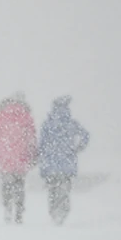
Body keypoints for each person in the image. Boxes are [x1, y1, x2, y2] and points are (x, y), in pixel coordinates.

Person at [37, 95, 90, 225]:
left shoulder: (47, 124)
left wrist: (41, 159)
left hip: (50, 164)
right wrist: (79, 147)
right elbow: (85, 135)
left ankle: (54, 212)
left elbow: (42, 145)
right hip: (67, 163)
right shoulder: (71, 124)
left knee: (52, 190)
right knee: (64, 190)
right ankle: (62, 212)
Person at [0, 93, 37, 224]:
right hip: (21, 157)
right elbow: (31, 138)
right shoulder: (26, 117)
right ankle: (19, 210)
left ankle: (7, 206)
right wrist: (32, 154)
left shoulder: (1, 117)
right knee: (19, 184)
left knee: (6, 183)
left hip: (5, 157)